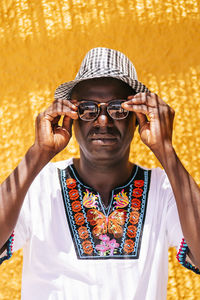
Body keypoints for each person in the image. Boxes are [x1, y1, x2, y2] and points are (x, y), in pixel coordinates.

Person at [0, 47, 199, 300]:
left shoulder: (164, 191)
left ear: (138, 119)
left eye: (118, 109)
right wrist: (37, 152)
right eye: (88, 110)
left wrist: (166, 150)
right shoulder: (38, 186)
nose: (103, 121)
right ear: (70, 118)